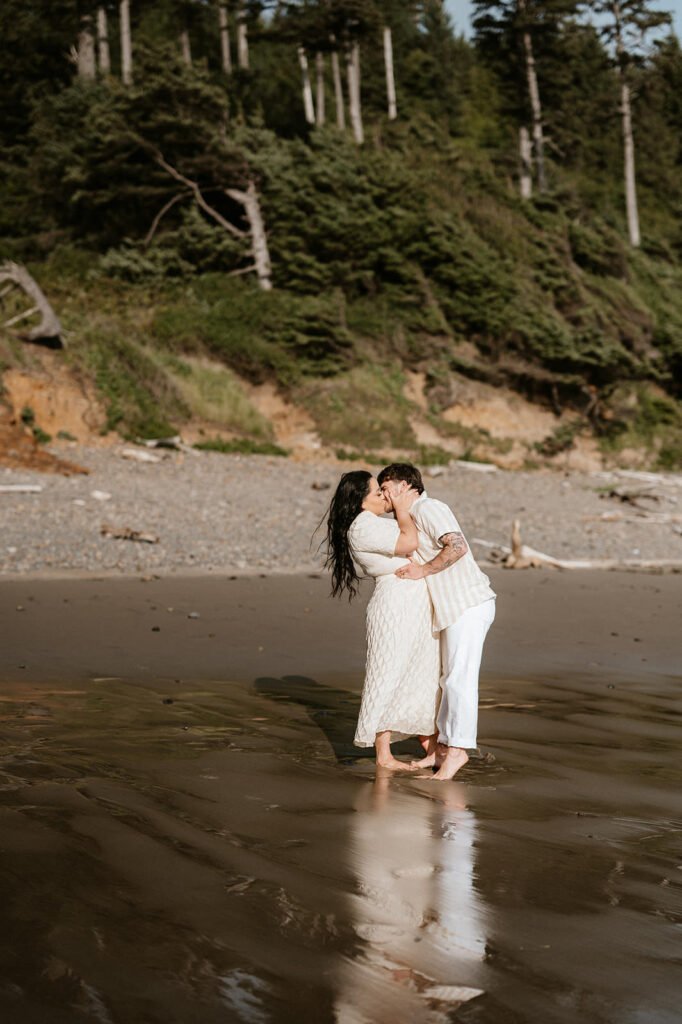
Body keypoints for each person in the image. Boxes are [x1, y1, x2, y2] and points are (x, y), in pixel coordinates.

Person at [378, 463, 496, 781]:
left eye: (385, 487)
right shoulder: (412, 516)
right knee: (446, 681)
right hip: (452, 609)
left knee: (459, 679)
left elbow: (457, 547)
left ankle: (458, 752)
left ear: (405, 485)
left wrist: (423, 570)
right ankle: (440, 750)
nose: (382, 495)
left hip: (469, 603)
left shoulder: (429, 507)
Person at [325, 470, 441, 771]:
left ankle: (431, 746)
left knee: (418, 673)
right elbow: (409, 542)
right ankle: (383, 755)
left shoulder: (371, 524)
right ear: (361, 501)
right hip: (394, 606)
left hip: (408, 606)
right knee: (387, 673)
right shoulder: (362, 526)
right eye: (377, 492)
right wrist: (403, 507)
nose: (383, 496)